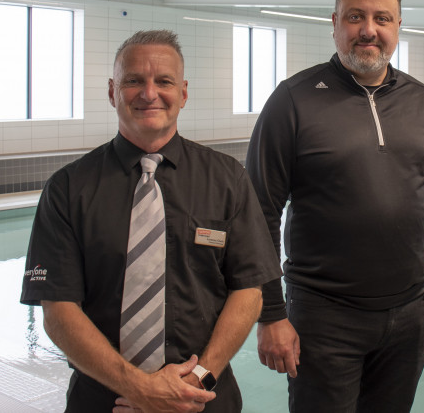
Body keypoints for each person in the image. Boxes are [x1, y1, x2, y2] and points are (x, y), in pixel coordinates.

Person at [246, 0, 424, 413]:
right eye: (356, 17)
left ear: (397, 27)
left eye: (381, 18)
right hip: (323, 316)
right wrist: (271, 313)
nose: (368, 29)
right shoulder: (293, 101)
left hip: (409, 313)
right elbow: (258, 215)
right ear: (335, 23)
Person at [20, 30, 281, 413]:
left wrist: (196, 380)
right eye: (133, 81)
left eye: (163, 81)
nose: (148, 93)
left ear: (184, 93)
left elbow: (249, 291)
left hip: (203, 399)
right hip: (108, 401)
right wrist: (139, 388)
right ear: (112, 91)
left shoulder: (226, 179)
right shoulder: (68, 189)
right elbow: (59, 312)